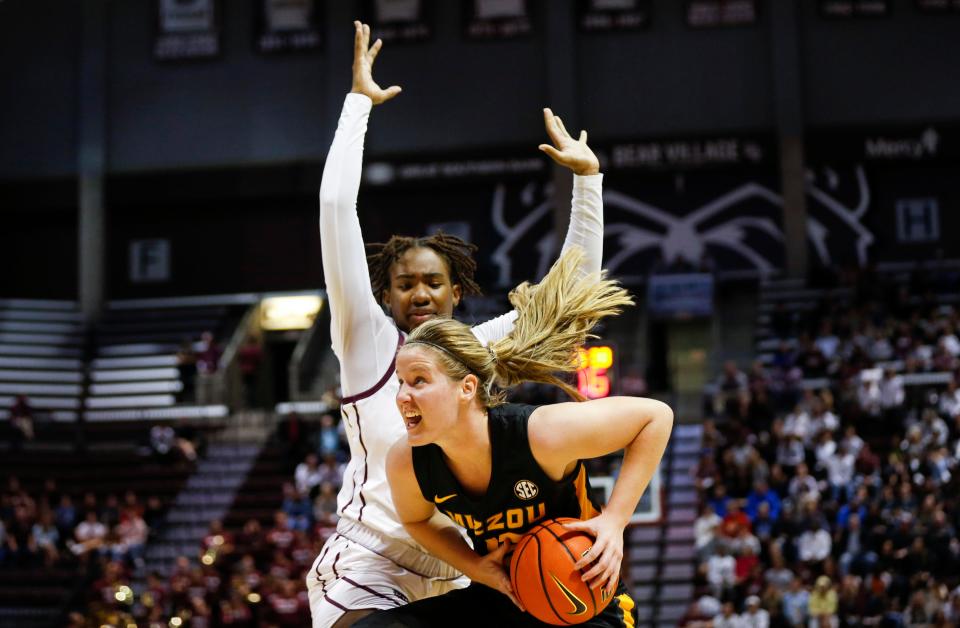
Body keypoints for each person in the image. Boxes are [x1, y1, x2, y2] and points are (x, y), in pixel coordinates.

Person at [310, 21, 605, 628]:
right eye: (404, 283)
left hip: (466, 569)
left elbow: (570, 298)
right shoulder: (367, 341)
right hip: (372, 561)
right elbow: (337, 209)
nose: (419, 293)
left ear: (456, 291)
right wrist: (358, 105)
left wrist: (588, 182)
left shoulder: (478, 352)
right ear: (384, 296)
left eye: (433, 282)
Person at [356, 249, 673, 627]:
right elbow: (418, 522)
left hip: (580, 599)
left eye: (419, 381)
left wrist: (615, 521)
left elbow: (655, 417)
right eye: (401, 383)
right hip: (502, 596)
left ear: (466, 388)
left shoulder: (539, 435)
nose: (403, 396)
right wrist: (475, 566)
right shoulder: (408, 461)